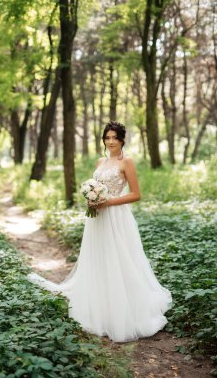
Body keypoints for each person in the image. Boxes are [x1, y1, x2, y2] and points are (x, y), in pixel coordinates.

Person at [28, 121, 172, 343]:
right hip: (97, 219)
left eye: (115, 137)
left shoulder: (127, 162)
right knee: (99, 260)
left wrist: (109, 201)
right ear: (104, 139)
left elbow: (136, 195)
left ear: (122, 139)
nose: (111, 141)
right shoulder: (100, 161)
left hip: (117, 218)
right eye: (107, 137)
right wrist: (92, 199)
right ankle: (99, 305)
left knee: (119, 260)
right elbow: (95, 187)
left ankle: (124, 310)